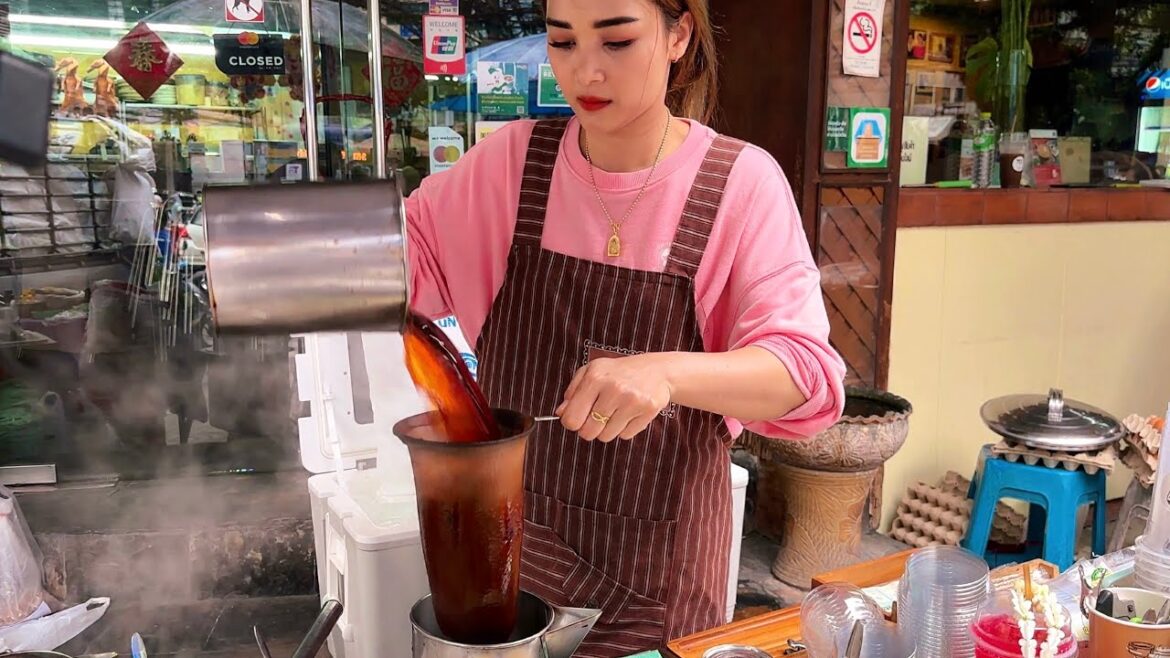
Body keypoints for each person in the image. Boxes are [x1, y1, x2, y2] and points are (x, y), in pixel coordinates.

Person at [405, 0, 846, 655]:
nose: (584, 70)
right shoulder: (510, 166)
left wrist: (665, 372)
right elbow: (395, 260)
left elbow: (807, 377)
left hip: (661, 592)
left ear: (679, 34)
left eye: (615, 41)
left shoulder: (740, 185)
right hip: (511, 577)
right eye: (562, 41)